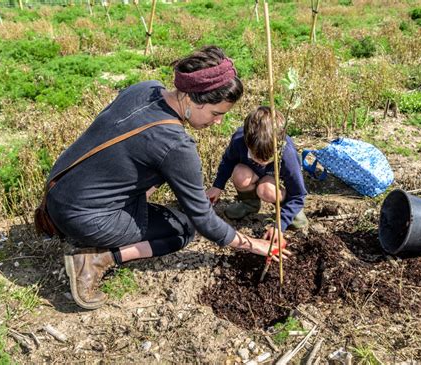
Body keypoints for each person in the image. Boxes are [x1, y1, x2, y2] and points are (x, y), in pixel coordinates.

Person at [45, 46, 290, 310]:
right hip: (85, 218)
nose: (218, 122)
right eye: (216, 113)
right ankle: (98, 259)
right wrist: (253, 245)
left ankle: (103, 229)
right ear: (190, 97)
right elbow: (204, 220)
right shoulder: (176, 145)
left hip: (59, 192)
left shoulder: (145, 88)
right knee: (183, 228)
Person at [206, 106, 308, 243]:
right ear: (247, 143)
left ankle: (286, 207)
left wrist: (280, 224)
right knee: (240, 175)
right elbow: (228, 162)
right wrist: (217, 186)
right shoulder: (238, 140)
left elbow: (298, 194)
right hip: (249, 171)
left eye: (268, 159)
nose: (262, 163)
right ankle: (249, 203)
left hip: (271, 178)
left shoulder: (287, 154)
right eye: (256, 157)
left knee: (266, 190)